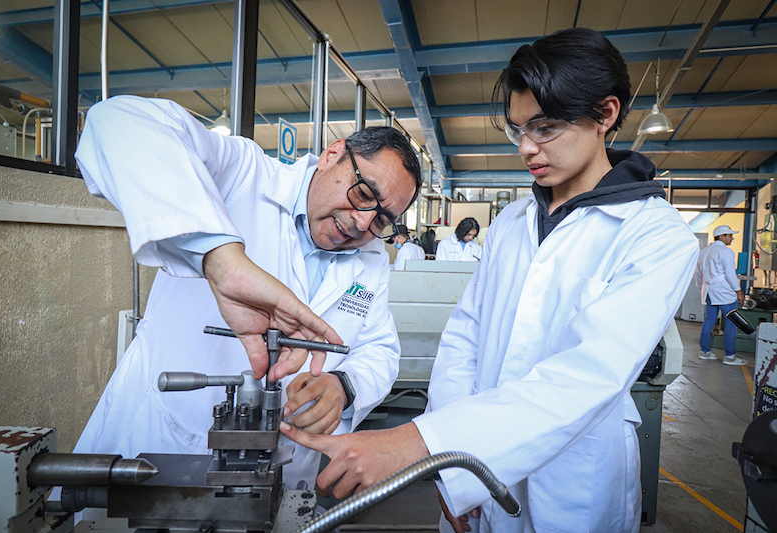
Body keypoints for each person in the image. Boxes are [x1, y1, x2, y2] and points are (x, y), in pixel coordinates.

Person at [282, 27, 699, 533]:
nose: (526, 148)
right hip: (467, 467)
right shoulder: (511, 222)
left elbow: (585, 376)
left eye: (544, 128)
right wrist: (452, 467)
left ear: (605, 115)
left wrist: (421, 444)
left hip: (573, 484)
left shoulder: (656, 235)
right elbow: (465, 338)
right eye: (517, 129)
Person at [70, 95, 422, 495]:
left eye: (382, 219)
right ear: (333, 154)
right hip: (163, 441)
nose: (362, 222)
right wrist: (220, 260)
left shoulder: (372, 257)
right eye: (363, 193)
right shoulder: (243, 174)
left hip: (283, 471)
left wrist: (344, 386)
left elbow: (379, 348)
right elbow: (115, 121)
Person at [696, 225, 747, 365]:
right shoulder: (726, 252)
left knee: (709, 320)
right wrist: (738, 291)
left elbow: (698, 273)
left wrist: (702, 285)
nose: (732, 238)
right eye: (730, 235)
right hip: (724, 291)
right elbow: (730, 274)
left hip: (708, 289)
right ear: (721, 237)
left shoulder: (704, 251)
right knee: (731, 322)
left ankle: (705, 351)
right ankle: (730, 356)